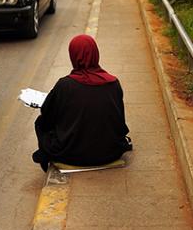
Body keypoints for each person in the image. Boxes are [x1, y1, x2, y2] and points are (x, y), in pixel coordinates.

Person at [32, 34, 132, 172]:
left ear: (73, 56)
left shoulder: (65, 85)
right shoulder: (113, 83)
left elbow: (48, 115)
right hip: (110, 152)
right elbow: (119, 121)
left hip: (71, 155)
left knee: (41, 123)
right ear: (95, 53)